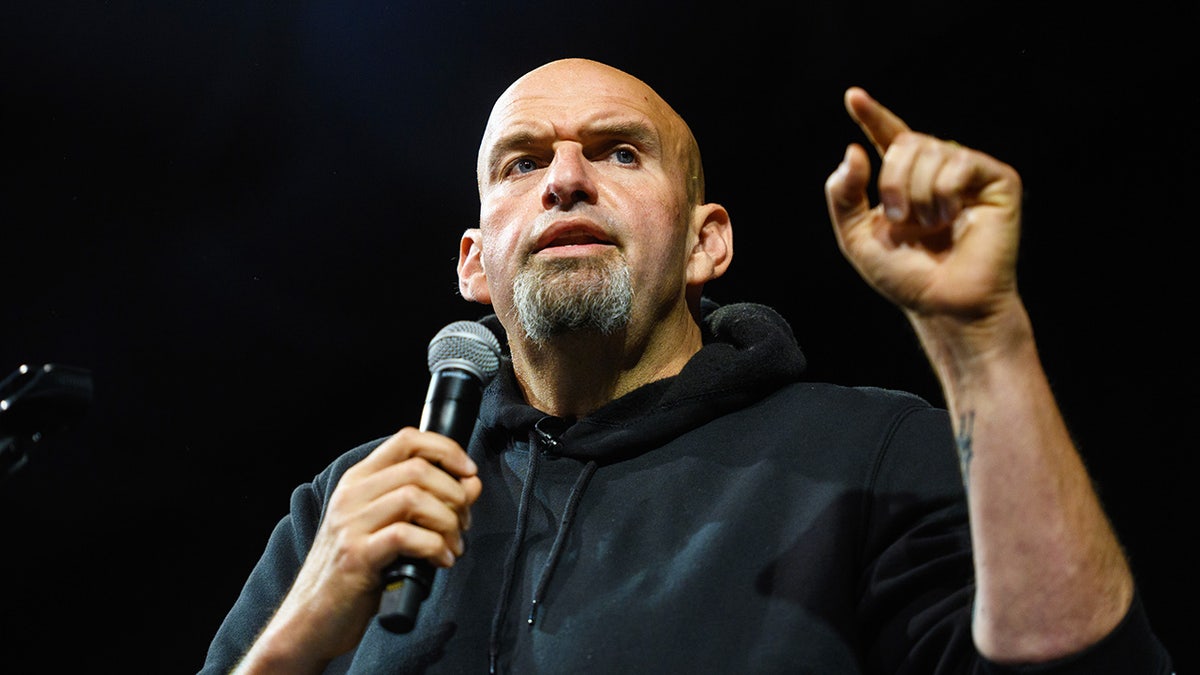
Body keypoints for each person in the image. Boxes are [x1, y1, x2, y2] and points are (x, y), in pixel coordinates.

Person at [200, 58, 1173, 674]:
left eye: (621, 154)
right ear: (473, 263)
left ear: (709, 244)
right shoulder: (347, 505)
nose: (567, 179)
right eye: (521, 162)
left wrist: (984, 341)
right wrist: (296, 642)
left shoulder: (868, 453)